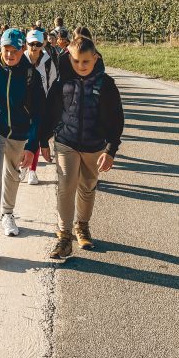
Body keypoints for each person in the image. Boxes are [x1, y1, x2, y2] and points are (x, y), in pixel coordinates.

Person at [44, 37, 124, 260]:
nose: (81, 66)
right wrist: (42, 140)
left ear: (95, 58)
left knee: (87, 187)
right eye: (76, 61)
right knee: (66, 186)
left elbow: (116, 119)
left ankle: (82, 226)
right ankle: (64, 236)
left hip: (94, 145)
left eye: (86, 61)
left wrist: (110, 150)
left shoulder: (106, 84)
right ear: (69, 58)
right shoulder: (62, 82)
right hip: (66, 142)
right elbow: (50, 111)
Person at [0, 28, 48, 259]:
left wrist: (32, 146)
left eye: (15, 50)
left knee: (13, 174)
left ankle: (8, 213)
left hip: (19, 131)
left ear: (23, 49)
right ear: (1, 48)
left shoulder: (31, 75)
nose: (10, 54)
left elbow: (39, 113)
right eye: (6, 49)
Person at [23, 28, 59, 185]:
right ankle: (23, 165)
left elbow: (52, 84)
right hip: (22, 104)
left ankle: (32, 170)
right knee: (23, 137)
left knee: (36, 136)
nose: (34, 47)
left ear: (43, 44)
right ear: (26, 44)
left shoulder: (48, 63)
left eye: (38, 44)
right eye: (31, 44)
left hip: (40, 104)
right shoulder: (21, 59)